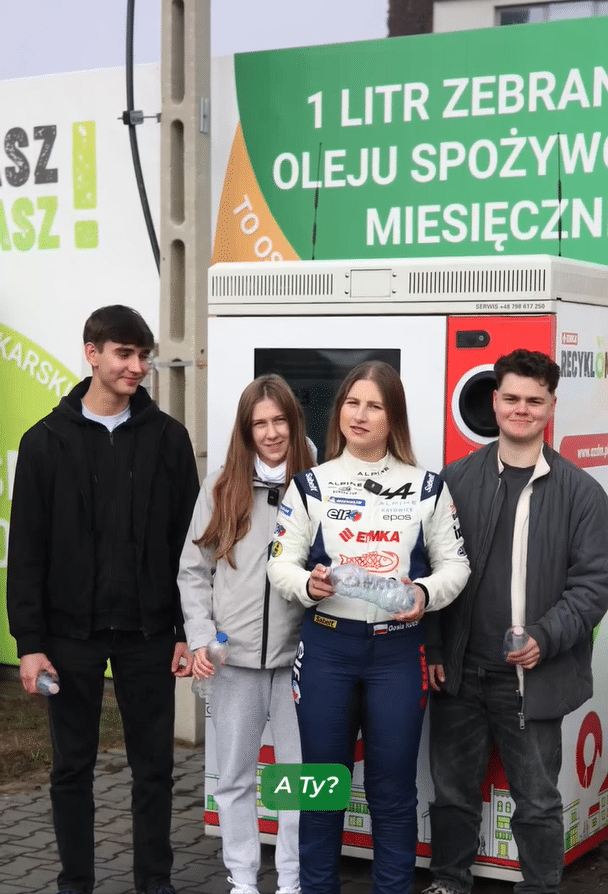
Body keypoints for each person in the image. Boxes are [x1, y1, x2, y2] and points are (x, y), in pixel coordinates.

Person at [7, 305, 200, 894]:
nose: (136, 367)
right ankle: (75, 883)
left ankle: (155, 882)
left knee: (155, 769)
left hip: (149, 635)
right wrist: (30, 644)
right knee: (71, 769)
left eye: (143, 356)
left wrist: (187, 630)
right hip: (70, 639)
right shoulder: (44, 442)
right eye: (124, 354)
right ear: (92, 353)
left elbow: (188, 548)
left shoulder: (169, 439)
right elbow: (27, 550)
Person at [267, 361, 470, 894]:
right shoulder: (310, 484)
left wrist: (423, 594)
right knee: (320, 789)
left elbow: (456, 566)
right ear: (339, 412)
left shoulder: (426, 486)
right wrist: (306, 584)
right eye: (352, 403)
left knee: (393, 792)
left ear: (392, 417)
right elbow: (280, 564)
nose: (359, 415)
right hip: (327, 648)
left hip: (397, 653)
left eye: (374, 406)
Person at [423, 349, 608, 894]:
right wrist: (436, 649)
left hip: (533, 676)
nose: (521, 409)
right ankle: (448, 882)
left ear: (551, 406)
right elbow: (431, 572)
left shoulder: (582, 493)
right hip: (460, 674)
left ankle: (540, 888)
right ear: (495, 400)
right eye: (511, 398)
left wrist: (544, 638)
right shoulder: (456, 480)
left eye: (534, 400)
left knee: (538, 802)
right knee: (451, 795)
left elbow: (594, 585)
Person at [178, 374, 315, 894]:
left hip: (300, 661)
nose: (272, 432)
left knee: (298, 781)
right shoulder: (220, 486)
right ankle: (241, 880)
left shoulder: (319, 484)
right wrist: (200, 639)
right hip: (232, 662)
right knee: (234, 777)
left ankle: (292, 881)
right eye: (260, 423)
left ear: (294, 422)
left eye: (280, 420)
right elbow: (193, 571)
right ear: (246, 429)